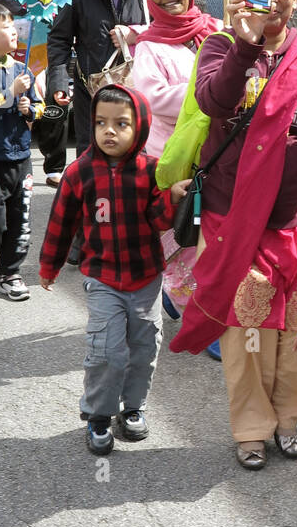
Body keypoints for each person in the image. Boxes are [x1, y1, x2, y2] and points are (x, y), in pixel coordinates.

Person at [168, 0, 297, 470]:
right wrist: (245, 40)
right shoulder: (221, 46)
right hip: (235, 218)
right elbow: (214, 102)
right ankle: (251, 427)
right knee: (246, 329)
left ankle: (289, 418)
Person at [38, 83, 190, 455]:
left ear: (139, 128)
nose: (109, 131)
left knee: (143, 347)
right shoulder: (79, 172)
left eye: (121, 124)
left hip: (146, 278)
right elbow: (62, 222)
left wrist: (169, 198)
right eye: (101, 122)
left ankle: (133, 407)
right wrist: (49, 266)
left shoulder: (151, 171)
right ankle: (98, 415)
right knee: (106, 351)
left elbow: (158, 221)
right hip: (102, 276)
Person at [132, 0, 222, 348]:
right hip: (175, 155)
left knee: (215, 237)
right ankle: (199, 319)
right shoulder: (149, 46)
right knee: (187, 237)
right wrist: (208, 92)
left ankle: (192, 302)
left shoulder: (215, 29)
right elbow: (152, 98)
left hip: (219, 152)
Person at [46, 0, 148, 238]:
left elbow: (167, 31)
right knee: (93, 167)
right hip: (93, 97)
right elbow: (59, 40)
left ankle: (126, 231)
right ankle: (85, 233)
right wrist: (58, 84)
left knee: (132, 166)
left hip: (136, 95)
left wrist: (136, 33)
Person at [0, 0, 44, 300]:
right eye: (6, 27)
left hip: (21, 157)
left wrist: (29, 110)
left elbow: (40, 108)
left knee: (20, 219)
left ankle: (11, 273)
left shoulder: (23, 69)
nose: (14, 32)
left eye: (14, 26)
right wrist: (10, 93)